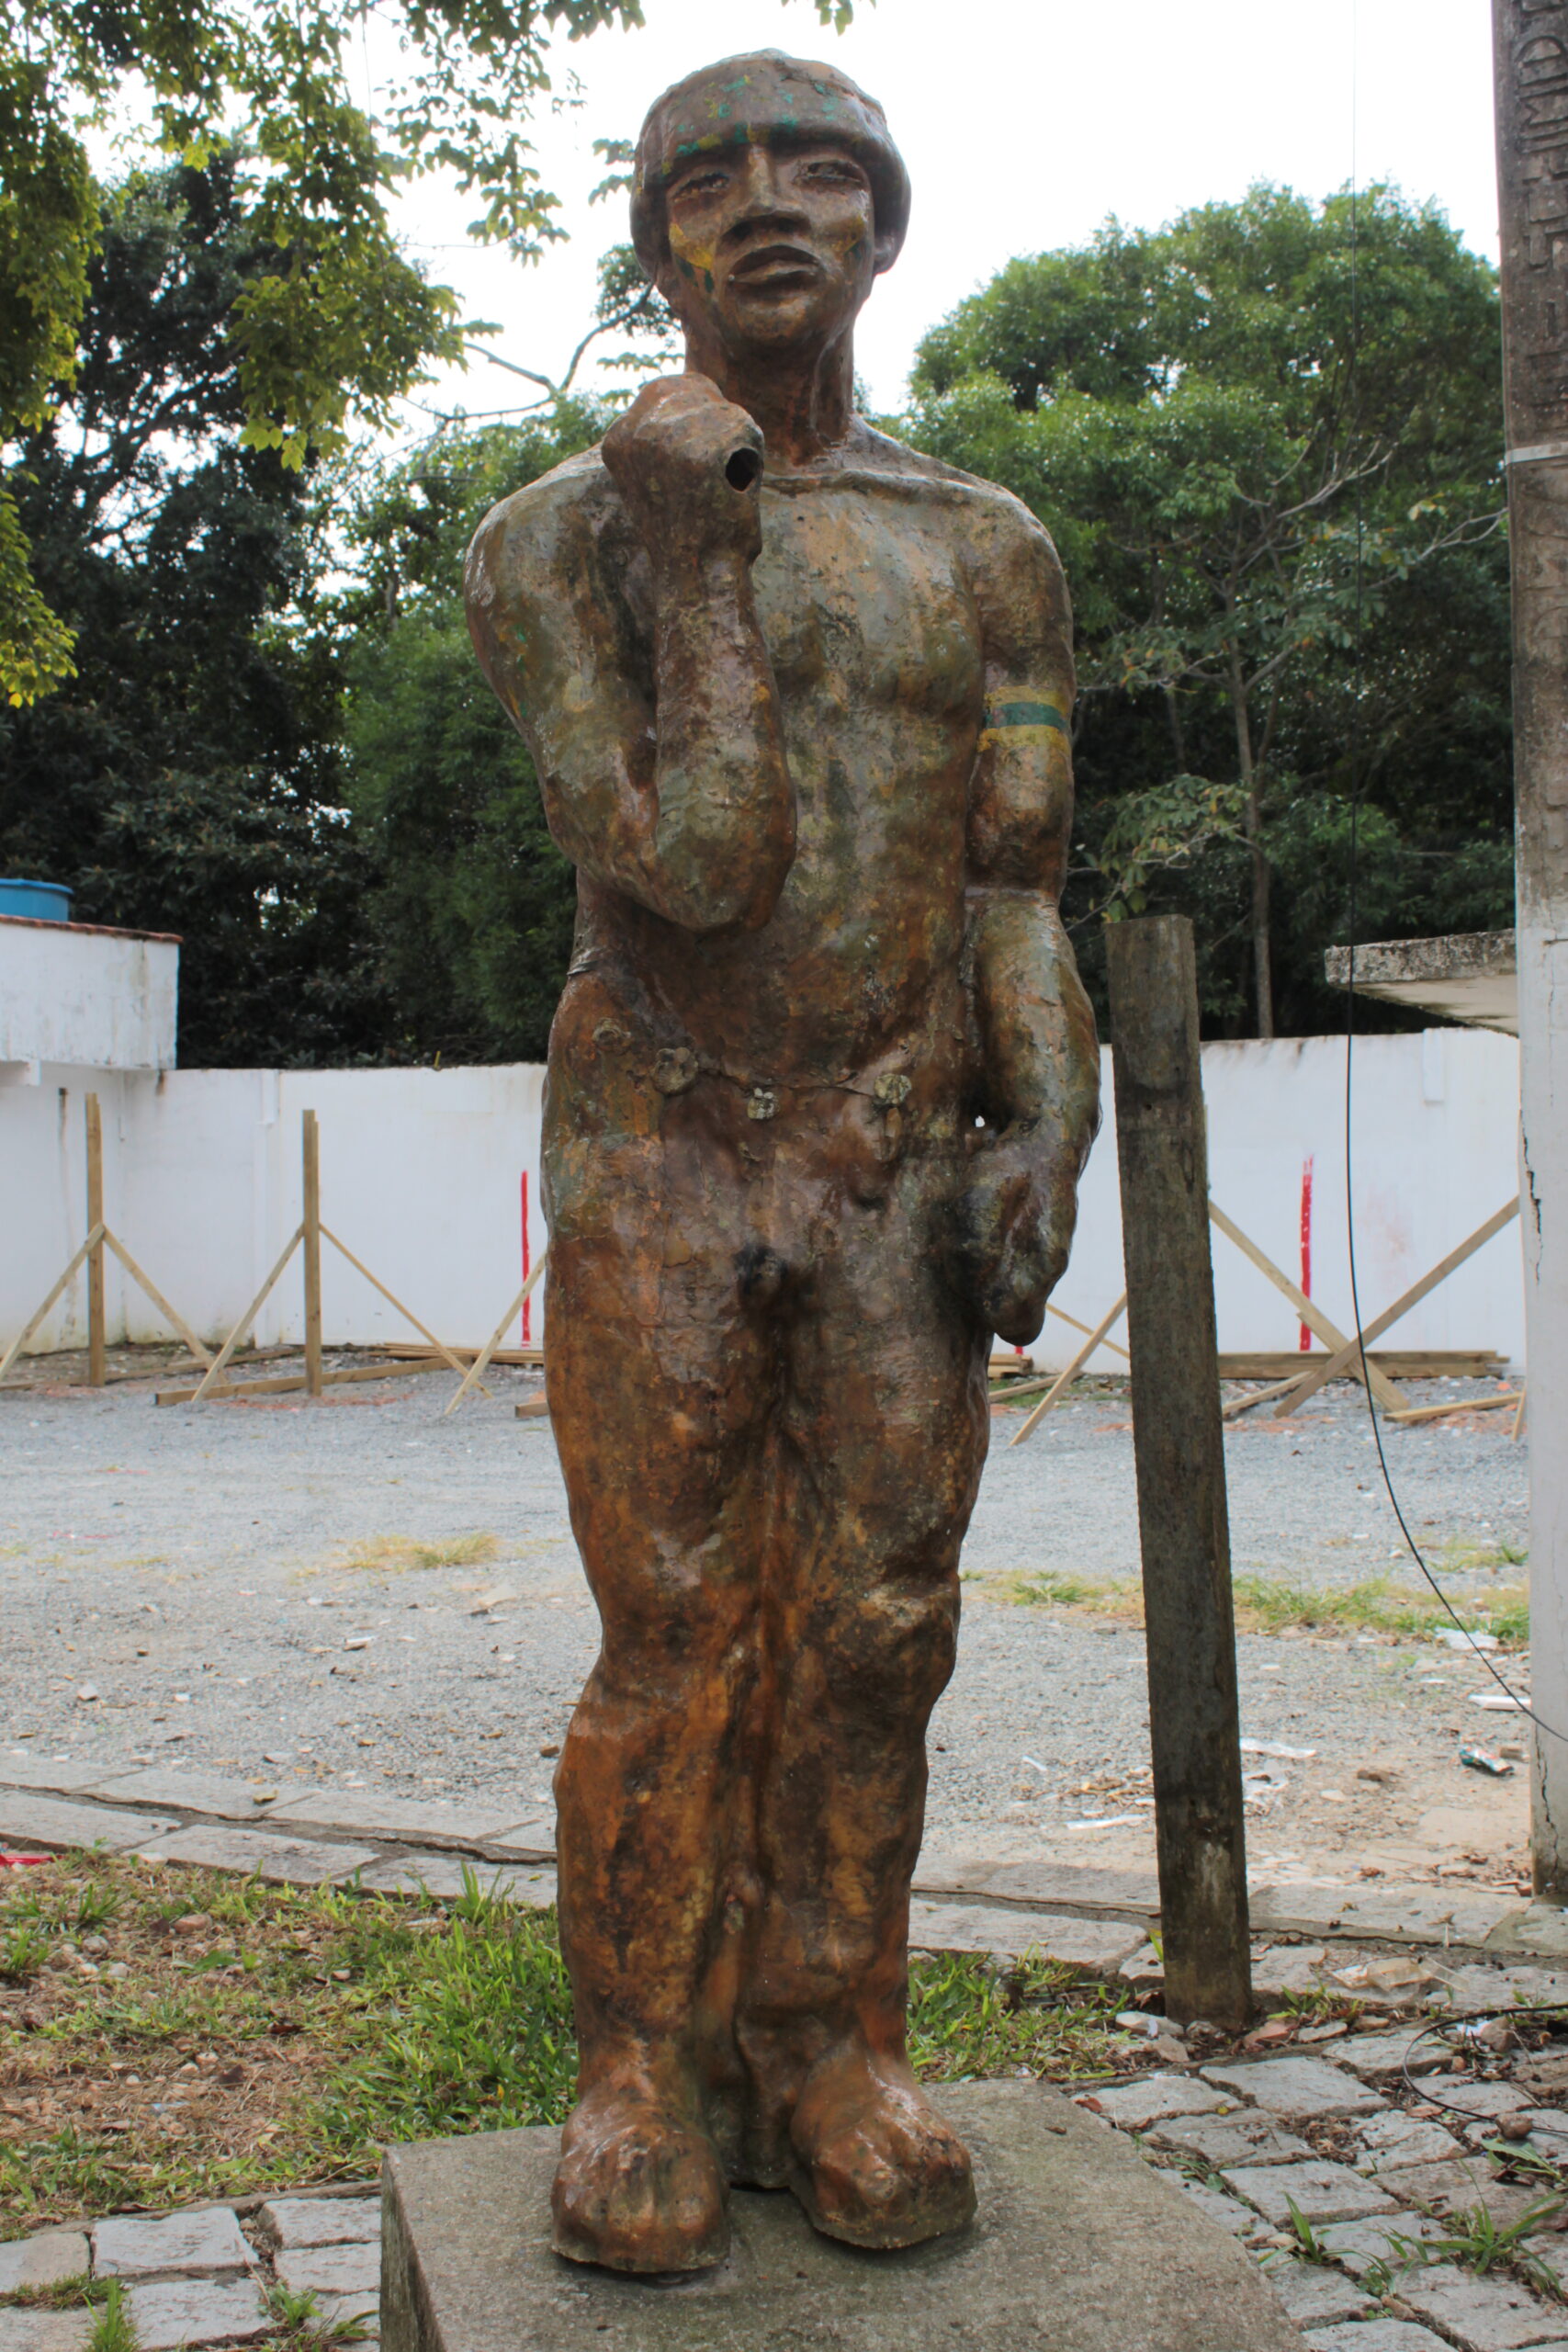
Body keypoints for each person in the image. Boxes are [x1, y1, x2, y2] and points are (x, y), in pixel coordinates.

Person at [465, 49, 1101, 2275]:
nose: (763, 207)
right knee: (675, 1625)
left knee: (873, 1625)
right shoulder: (553, 544)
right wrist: (693, 554)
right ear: (655, 245)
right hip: (657, 1133)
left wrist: (1043, 1111)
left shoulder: (984, 551)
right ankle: (639, 2062)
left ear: (880, 226)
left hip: (893, 1143)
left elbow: (1013, 883)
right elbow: (696, 859)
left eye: (816, 170)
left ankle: (829, 2040)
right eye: (705, 180)